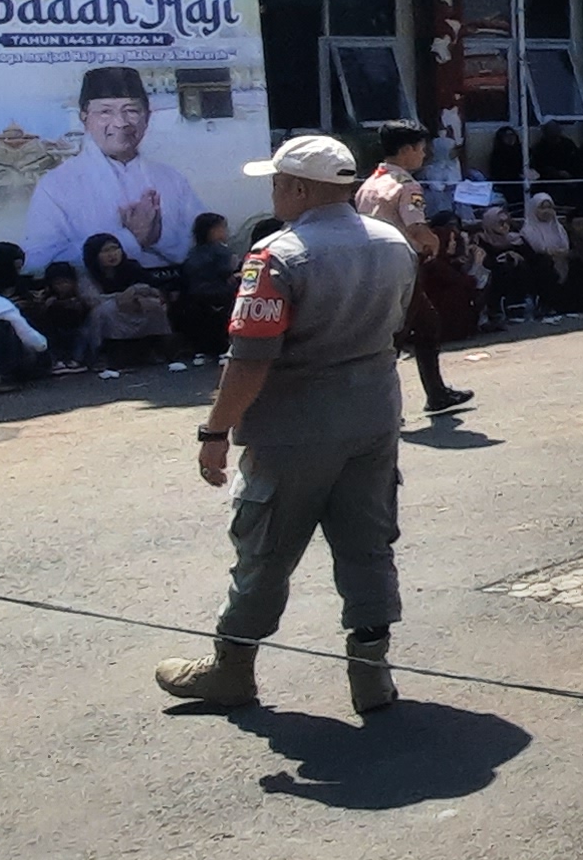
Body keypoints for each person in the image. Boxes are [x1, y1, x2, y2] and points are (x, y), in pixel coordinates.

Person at [155, 134, 423, 716]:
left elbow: (251, 358)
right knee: (368, 545)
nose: (273, 191)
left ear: (299, 188)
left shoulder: (278, 255)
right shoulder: (392, 243)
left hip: (293, 428)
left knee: (265, 549)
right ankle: (371, 676)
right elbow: (395, 323)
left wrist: (214, 433)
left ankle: (232, 670)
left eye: (277, 182)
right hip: (374, 414)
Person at [21, 66, 205, 273]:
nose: (120, 123)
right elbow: (37, 262)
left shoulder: (170, 178)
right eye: (105, 112)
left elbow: (203, 241)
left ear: (147, 117)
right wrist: (129, 239)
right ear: (85, 118)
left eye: (131, 111)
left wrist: (158, 236)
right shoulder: (57, 184)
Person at [353, 123, 473, 413]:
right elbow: (416, 227)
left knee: (425, 325)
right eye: (421, 149)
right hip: (402, 264)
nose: (424, 155)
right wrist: (434, 244)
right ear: (406, 150)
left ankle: (436, 392)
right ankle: (376, 405)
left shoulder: (369, 184)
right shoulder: (407, 185)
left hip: (372, 264)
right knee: (396, 336)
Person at [74, 235, 184, 369]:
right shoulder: (88, 274)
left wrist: (137, 293)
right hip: (108, 310)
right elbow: (92, 299)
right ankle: (103, 355)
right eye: (105, 251)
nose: (112, 254)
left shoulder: (132, 267)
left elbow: (151, 288)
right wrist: (121, 297)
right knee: (106, 310)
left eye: (115, 249)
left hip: (134, 305)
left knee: (153, 306)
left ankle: (155, 348)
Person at [174, 213, 242, 359]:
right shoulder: (221, 251)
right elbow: (226, 273)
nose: (226, 232)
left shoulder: (193, 252)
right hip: (219, 293)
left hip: (194, 295)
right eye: (222, 228)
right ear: (212, 231)